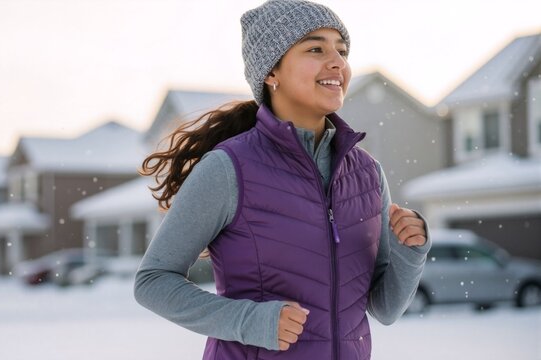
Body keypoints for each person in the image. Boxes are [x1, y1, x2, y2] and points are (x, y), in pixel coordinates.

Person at [134, 0, 431, 359]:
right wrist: (249, 320)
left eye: (342, 50)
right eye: (316, 48)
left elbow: (383, 308)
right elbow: (152, 281)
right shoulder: (229, 168)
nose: (337, 61)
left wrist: (411, 251)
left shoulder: (367, 173)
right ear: (271, 72)